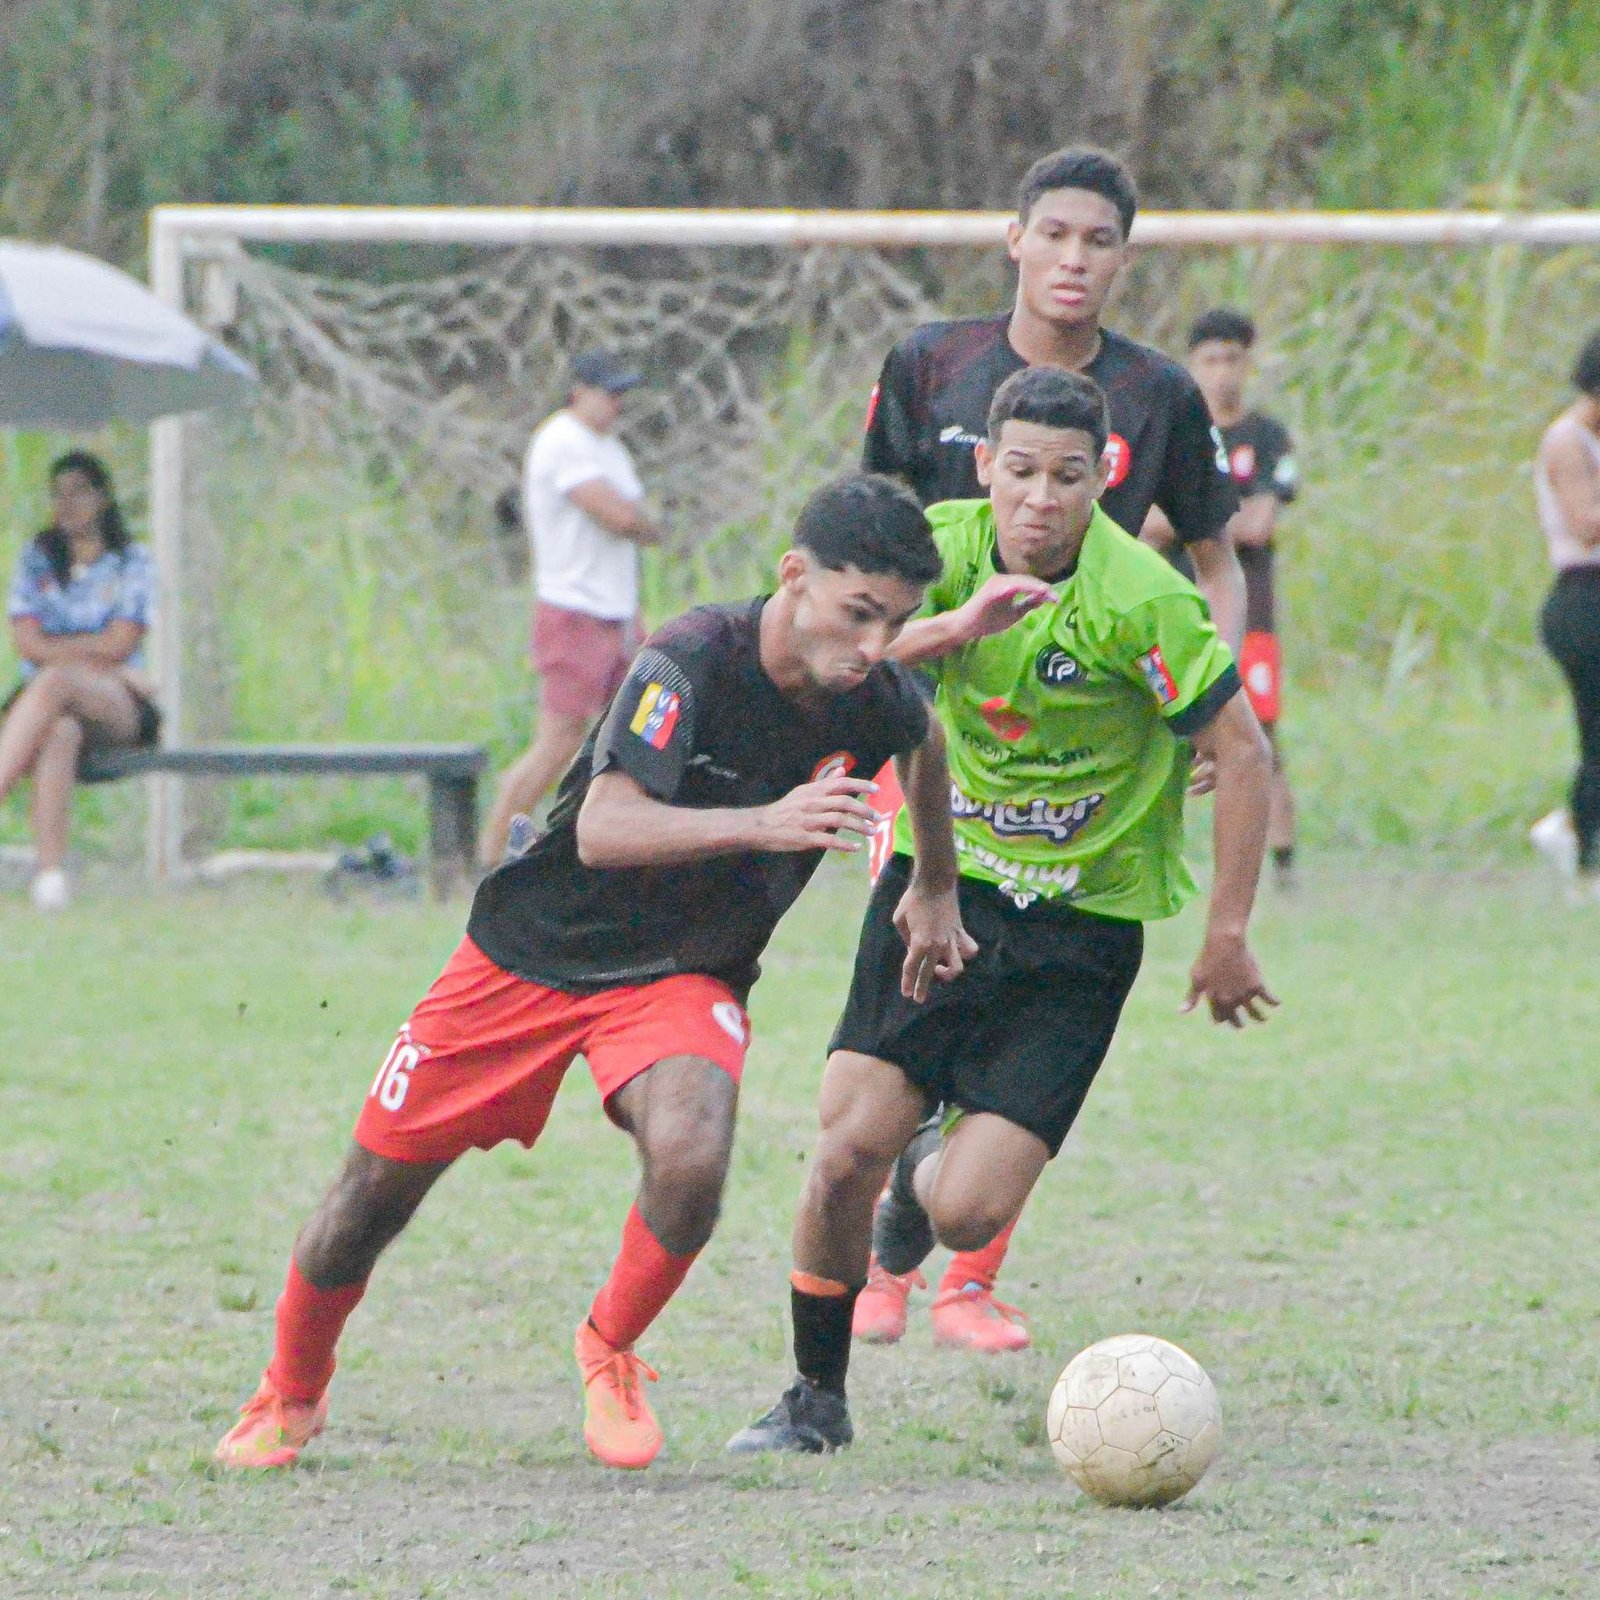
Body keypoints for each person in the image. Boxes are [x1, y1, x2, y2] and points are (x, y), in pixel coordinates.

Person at [212, 473, 974, 1475]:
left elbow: (922, 741)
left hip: (679, 976)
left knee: (693, 1155)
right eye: (858, 612)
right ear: (794, 577)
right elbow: (608, 827)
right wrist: (766, 819)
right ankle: (290, 1390)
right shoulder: (686, 663)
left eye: (898, 621)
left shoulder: (869, 693)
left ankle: (608, 1346)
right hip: (524, 957)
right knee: (365, 1203)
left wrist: (935, 886)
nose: (876, 644)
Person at [729, 367, 1274, 1455]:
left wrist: (1224, 933)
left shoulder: (1143, 599)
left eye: (1067, 476)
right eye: (1017, 470)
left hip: (1083, 925)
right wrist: (953, 629)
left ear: (1102, 477)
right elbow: (829, 657)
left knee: (966, 1211)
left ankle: (920, 1177)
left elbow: (1242, 752)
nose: (1039, 497)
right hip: (941, 877)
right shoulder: (931, 555)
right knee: (844, 1143)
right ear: (982, 465)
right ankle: (813, 1397)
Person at [854, 144, 1245, 1350]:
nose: (1075, 261)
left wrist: (1218, 718)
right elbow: (863, 538)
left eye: (1100, 241)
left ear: (1123, 257)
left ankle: (962, 1267)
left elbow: (1212, 560)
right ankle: (881, 1245)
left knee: (1038, 984)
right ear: (1014, 239)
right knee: (930, 960)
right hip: (938, 718)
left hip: (1092, 731)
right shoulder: (929, 363)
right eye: (1055, 235)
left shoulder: (1160, 392)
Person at [479, 349, 663, 868]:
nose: (616, 404)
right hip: (573, 610)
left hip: (616, 612)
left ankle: (603, 849)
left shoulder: (609, 448)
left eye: (621, 394)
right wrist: (646, 522)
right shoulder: (563, 440)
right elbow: (619, 517)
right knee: (559, 739)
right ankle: (488, 857)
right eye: (608, 393)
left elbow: (632, 516)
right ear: (578, 391)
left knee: (634, 733)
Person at [1150, 309, 1299, 887]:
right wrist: (1215, 520)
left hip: (1251, 611)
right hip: (1173, 606)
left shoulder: (1266, 437)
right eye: (1211, 360)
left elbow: (1260, 525)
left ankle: (1282, 859)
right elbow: (1144, 525)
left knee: (1258, 728)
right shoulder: (1174, 433)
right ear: (1193, 365)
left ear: (1248, 362)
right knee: (1167, 729)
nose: (1222, 373)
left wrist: (1189, 520)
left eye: (1232, 358)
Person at [1, 452, 159, 911]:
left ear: (103, 498)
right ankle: (50, 878)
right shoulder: (38, 559)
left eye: (79, 492)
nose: (67, 504)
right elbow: (27, 642)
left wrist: (71, 657)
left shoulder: (132, 561)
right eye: (58, 494)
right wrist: (92, 653)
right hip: (52, 700)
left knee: (55, 683)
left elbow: (122, 641)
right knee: (59, 730)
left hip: (114, 704)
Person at [1529, 328, 1600, 892]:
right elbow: (1587, 525)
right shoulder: (1567, 441)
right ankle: (1585, 850)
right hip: (1584, 596)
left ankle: (1572, 827)